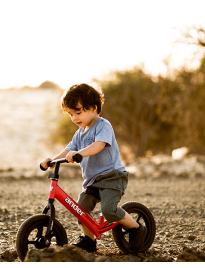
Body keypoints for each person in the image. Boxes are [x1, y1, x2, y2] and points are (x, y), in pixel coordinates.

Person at [40, 83, 146, 253]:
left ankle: (136, 228)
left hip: (112, 177)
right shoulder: (79, 132)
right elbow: (68, 150)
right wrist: (52, 161)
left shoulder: (103, 126)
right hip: (92, 181)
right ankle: (89, 241)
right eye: (71, 114)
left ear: (94, 108)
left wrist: (79, 153)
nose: (74, 118)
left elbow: (99, 145)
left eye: (78, 112)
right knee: (80, 209)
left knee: (109, 210)